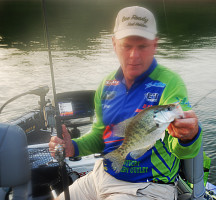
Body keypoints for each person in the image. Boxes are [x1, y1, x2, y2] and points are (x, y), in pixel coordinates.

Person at [49, 6, 203, 200]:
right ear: (114, 44)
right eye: (127, 45)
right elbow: (101, 136)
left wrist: (188, 136)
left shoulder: (170, 84)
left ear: (154, 45)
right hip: (100, 176)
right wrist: (74, 147)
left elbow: (180, 148)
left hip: (147, 187)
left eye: (142, 46)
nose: (134, 55)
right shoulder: (107, 84)